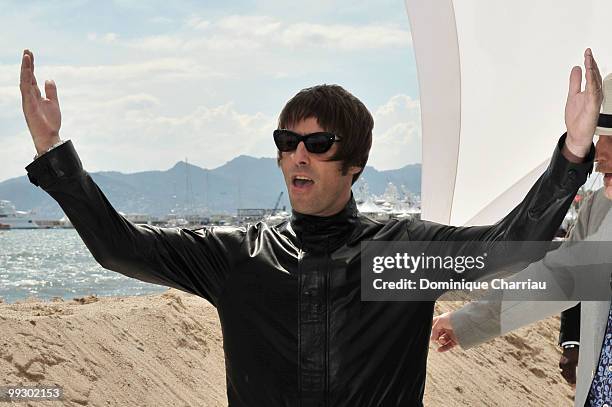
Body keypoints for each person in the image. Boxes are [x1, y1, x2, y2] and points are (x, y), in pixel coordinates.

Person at [20, 46, 602, 406]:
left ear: (354, 165)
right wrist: (53, 152)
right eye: (286, 142)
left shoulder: (399, 255)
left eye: (318, 144)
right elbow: (119, 247)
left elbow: (509, 248)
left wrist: (573, 153)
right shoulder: (237, 256)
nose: (298, 155)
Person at [430, 74, 612, 406]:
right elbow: (555, 281)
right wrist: (465, 321)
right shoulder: (599, 209)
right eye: (600, 135)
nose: (601, 154)